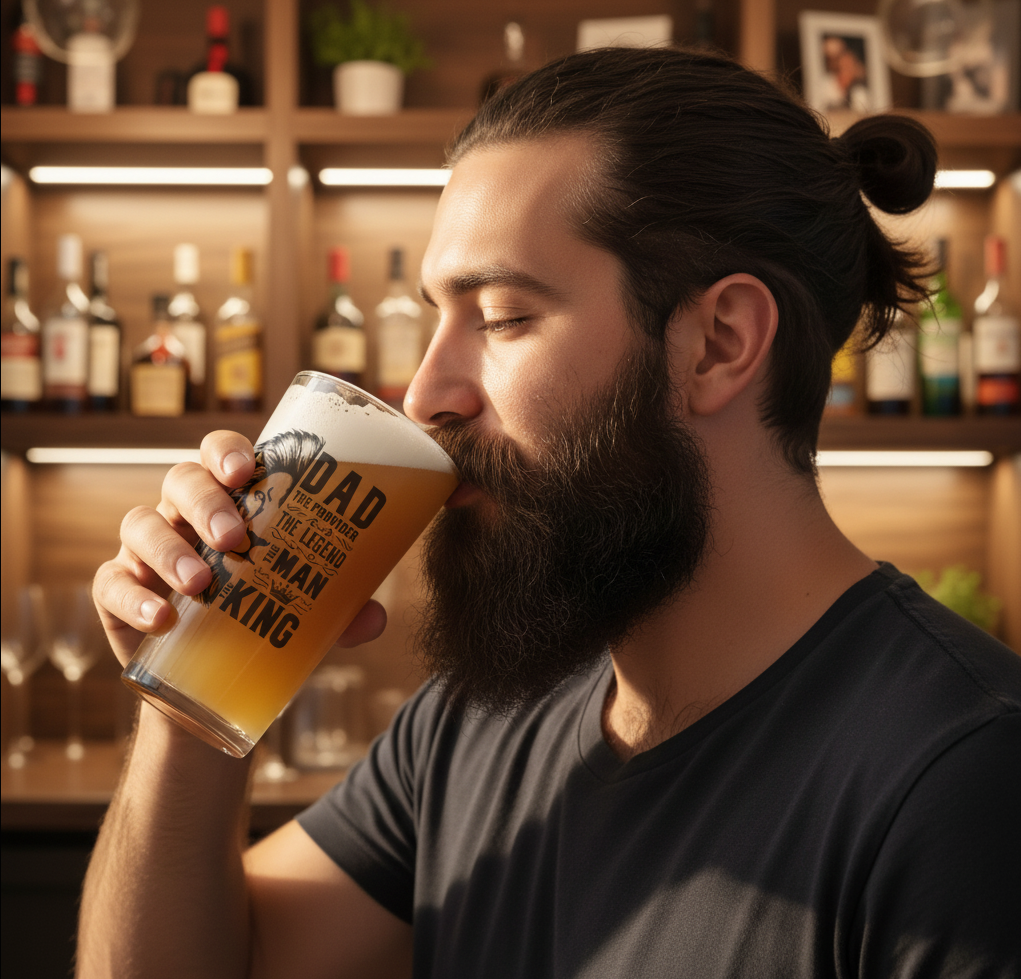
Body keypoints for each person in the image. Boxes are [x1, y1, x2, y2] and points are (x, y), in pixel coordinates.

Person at [78, 47, 1020, 979]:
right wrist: (189, 700)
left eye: (501, 316)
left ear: (717, 344)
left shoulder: (963, 781)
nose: (424, 396)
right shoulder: (467, 725)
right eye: (435, 318)